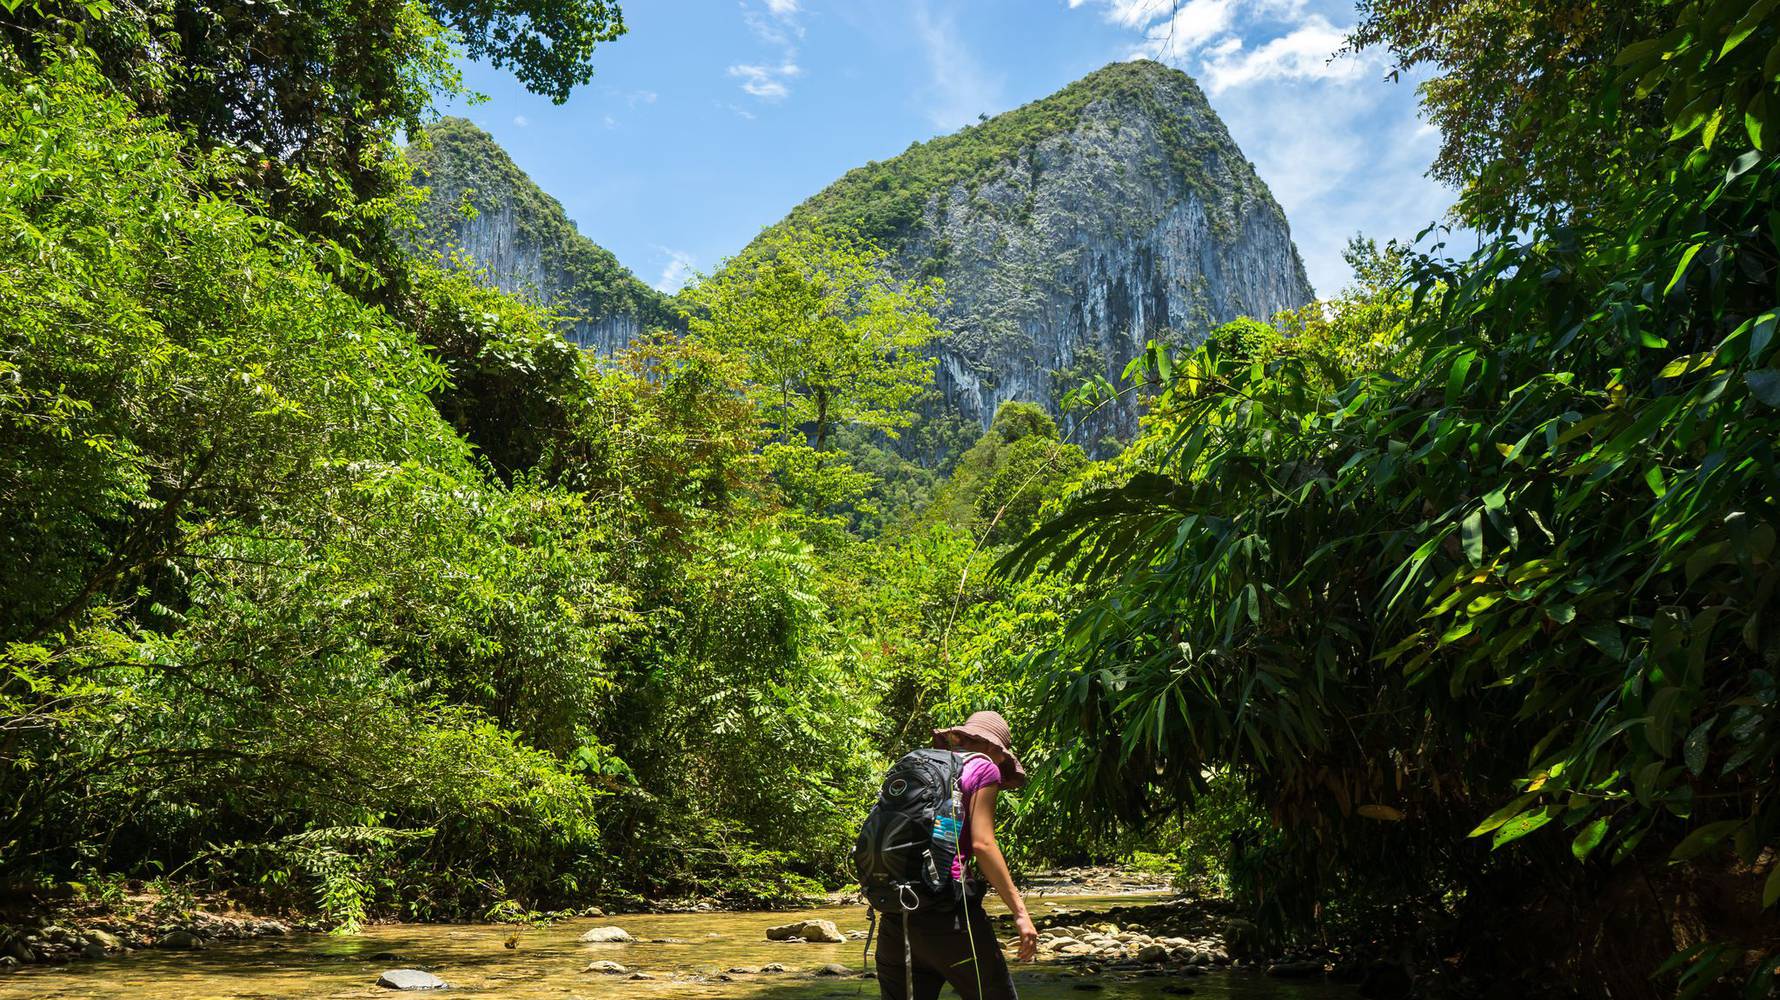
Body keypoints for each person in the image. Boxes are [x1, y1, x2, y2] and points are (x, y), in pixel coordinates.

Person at [875, 711, 1039, 1000]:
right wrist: (1021, 913)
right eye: (1003, 756)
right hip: (950, 918)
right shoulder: (985, 768)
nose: (1001, 764)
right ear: (993, 748)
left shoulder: (919, 764)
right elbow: (983, 844)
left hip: (896, 915)